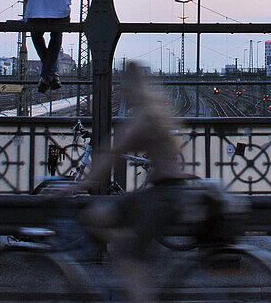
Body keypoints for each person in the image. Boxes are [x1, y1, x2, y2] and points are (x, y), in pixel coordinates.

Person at [71, 61, 192, 303]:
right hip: (167, 192)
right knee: (98, 218)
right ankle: (127, 258)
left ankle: (131, 271)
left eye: (123, 89)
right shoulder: (154, 113)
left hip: (163, 197)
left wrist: (77, 185)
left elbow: (112, 153)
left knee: (130, 262)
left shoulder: (145, 118)